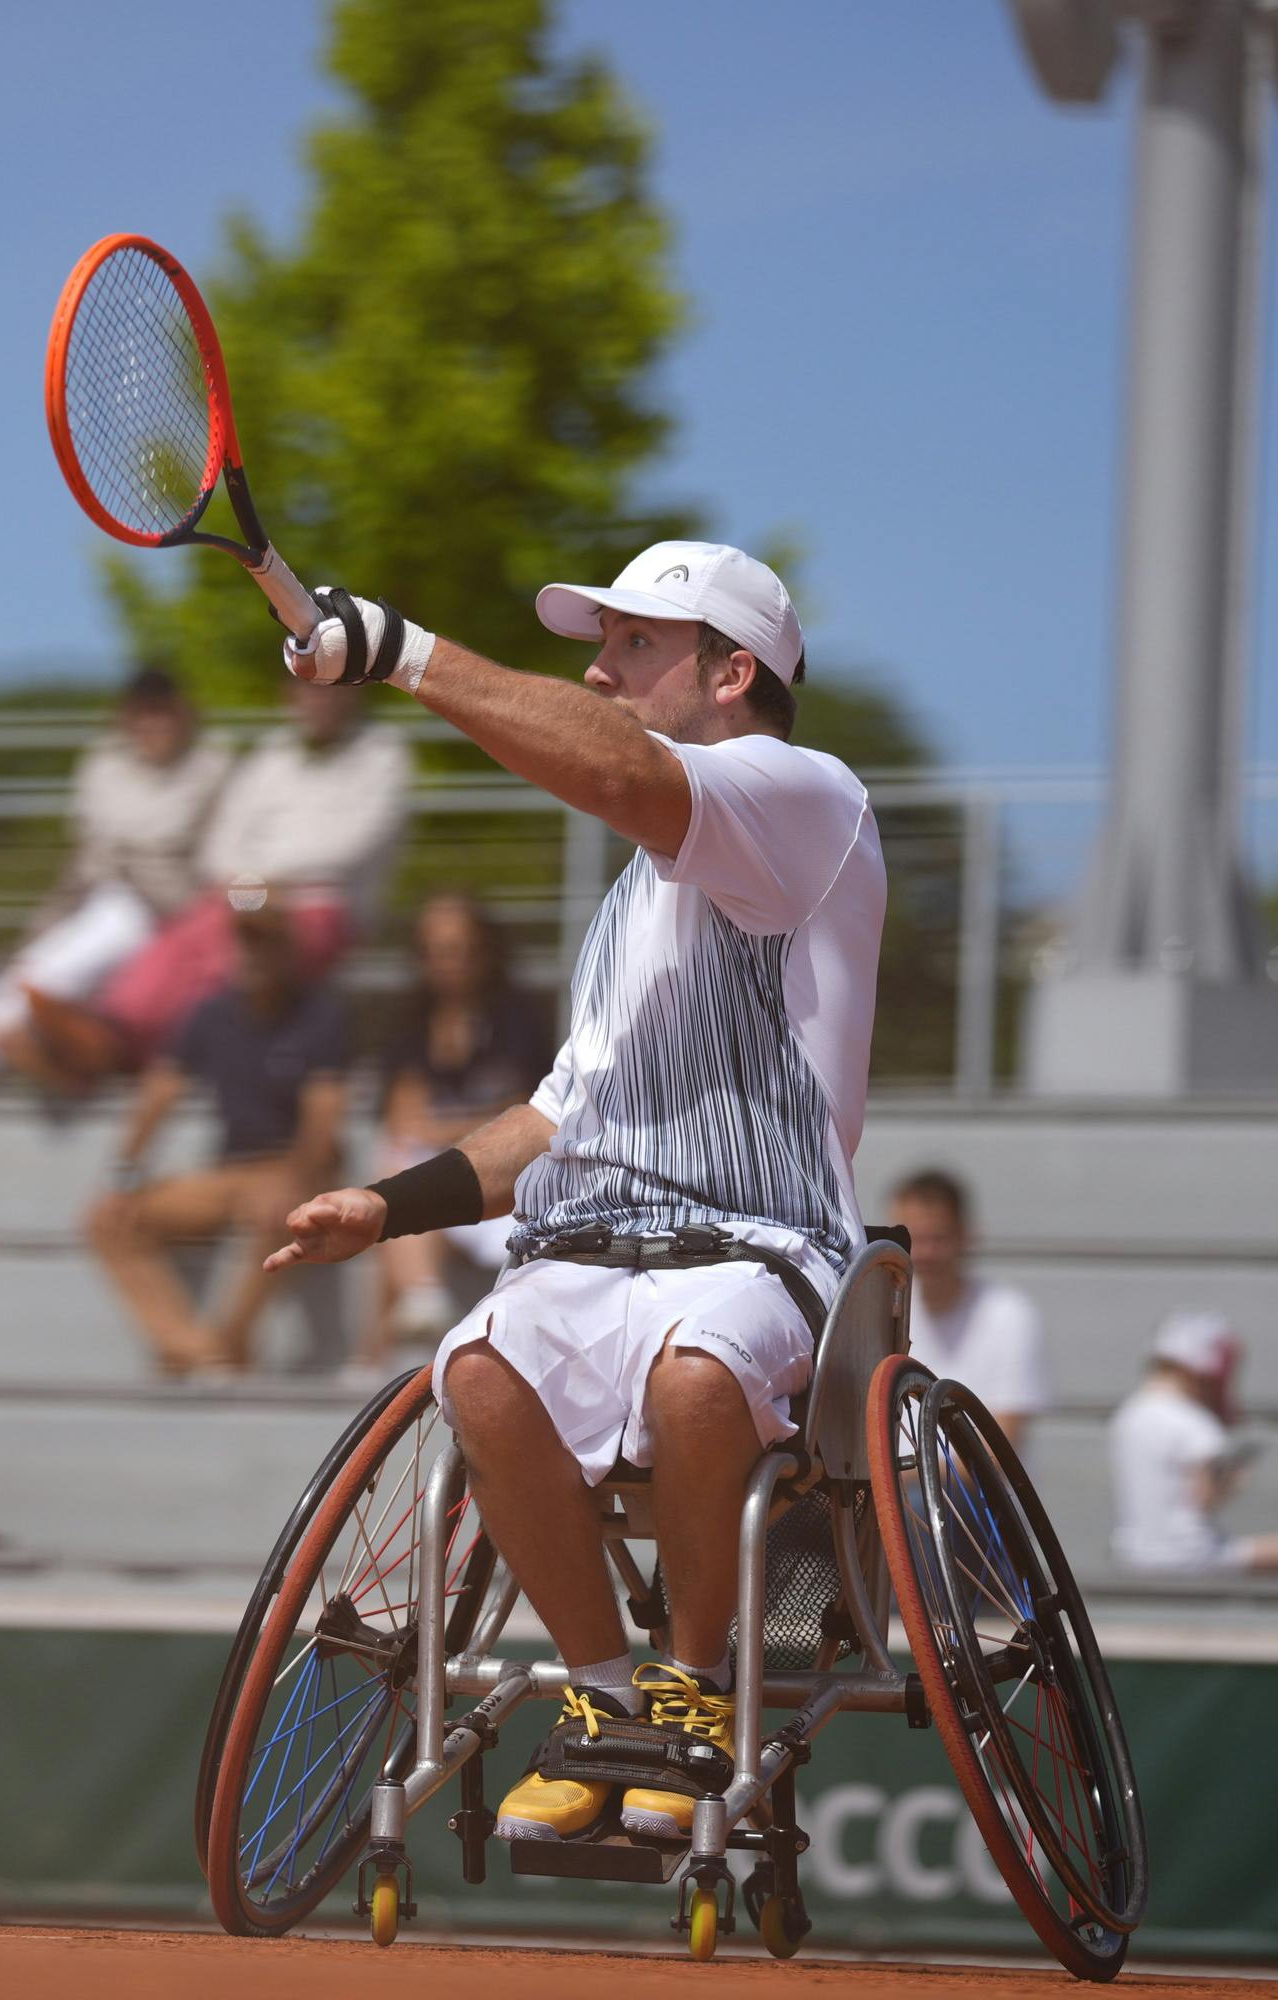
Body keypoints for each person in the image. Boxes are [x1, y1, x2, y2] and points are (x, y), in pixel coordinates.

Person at [261, 540, 885, 1846]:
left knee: (698, 1372)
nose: (598, 670)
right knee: (476, 1370)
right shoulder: (629, 908)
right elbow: (556, 1117)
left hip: (760, 1247)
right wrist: (388, 1205)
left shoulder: (804, 794)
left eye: (634, 645)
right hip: (597, 1243)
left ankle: (697, 1690)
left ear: (732, 672)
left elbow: (622, 772)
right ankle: (606, 1697)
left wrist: (401, 650)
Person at [68, 678, 411, 1078]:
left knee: (234, 953)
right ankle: (117, 1031)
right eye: (305, 688)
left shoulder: (383, 755)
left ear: (351, 693)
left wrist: (265, 874)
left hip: (322, 903)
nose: (314, 699)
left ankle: (159, 1054)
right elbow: (220, 847)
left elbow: (350, 848)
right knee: (181, 939)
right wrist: (253, 883)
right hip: (247, 892)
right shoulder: (271, 757)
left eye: (325, 688)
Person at [86, 891, 355, 1376]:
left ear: (285, 949)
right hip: (232, 1170)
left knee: (279, 1210)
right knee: (109, 1219)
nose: (253, 954)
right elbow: (160, 1093)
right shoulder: (210, 1012)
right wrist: (123, 1173)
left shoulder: (319, 1015)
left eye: (265, 942)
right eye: (246, 941)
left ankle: (227, 1342)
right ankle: (199, 1348)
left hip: (289, 1167)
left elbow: (323, 1116)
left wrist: (300, 1182)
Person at [0, 667, 233, 1082]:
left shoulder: (212, 766)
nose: (153, 726)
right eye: (143, 715)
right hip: (97, 896)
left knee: (98, 932)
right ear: (127, 719)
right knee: (49, 945)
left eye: (162, 714)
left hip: (169, 906)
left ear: (183, 716)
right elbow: (84, 862)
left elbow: (216, 864)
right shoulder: (103, 764)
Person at [354, 892, 551, 1377]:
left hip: (512, 1186)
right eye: (436, 950)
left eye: (460, 949)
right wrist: (477, 1122)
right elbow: (403, 1120)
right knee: (397, 1177)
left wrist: (447, 1127)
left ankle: (383, 1345)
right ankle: (414, 1311)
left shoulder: (520, 1020)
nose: (449, 963)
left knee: (399, 1192)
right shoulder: (410, 1026)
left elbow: (533, 1116)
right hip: (448, 1181)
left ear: (485, 951)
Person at [1105, 1310, 1278, 1576]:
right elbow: (1204, 1498)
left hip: (1131, 1554)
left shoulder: (1128, 1415)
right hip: (1188, 1556)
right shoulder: (1195, 1423)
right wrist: (1235, 1477)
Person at [888, 1168, 1045, 1455]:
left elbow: (1001, 1446)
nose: (925, 1253)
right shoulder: (883, 1311)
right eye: (914, 1240)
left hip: (972, 1494)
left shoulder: (1008, 1314)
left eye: (938, 1238)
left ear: (965, 1236)